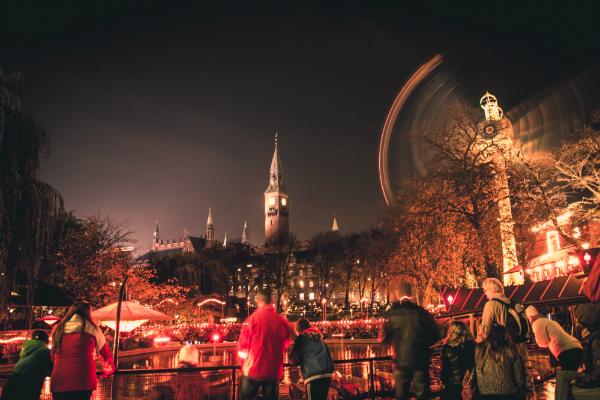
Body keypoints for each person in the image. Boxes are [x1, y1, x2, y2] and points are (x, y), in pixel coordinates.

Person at [379, 280, 440, 400]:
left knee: (401, 396)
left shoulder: (392, 314)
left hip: (401, 362)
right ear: (411, 294)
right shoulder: (422, 312)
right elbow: (435, 334)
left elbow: (383, 338)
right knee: (422, 395)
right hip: (420, 360)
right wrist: (424, 345)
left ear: (398, 295)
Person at [50, 301, 115, 400]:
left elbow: (52, 354)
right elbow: (104, 354)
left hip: (59, 380)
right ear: (88, 312)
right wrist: (109, 371)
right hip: (82, 380)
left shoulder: (59, 329)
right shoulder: (92, 328)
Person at [237, 289, 291, 400]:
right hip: (273, 370)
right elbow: (286, 343)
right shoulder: (281, 321)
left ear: (259, 301)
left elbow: (243, 346)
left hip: (253, 368)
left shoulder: (252, 319)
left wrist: (243, 363)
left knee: (245, 397)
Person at [554, 303, 600, 400]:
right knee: (562, 375)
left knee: (566, 385)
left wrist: (579, 381)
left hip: (594, 379)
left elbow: (597, 375)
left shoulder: (596, 341)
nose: (580, 326)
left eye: (581, 323)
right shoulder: (593, 337)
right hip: (590, 374)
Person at [473, 325, 530, 400]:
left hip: (483, 395)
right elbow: (520, 379)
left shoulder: (479, 351)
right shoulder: (511, 351)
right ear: (506, 336)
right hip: (508, 395)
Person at [525, 305, 583, 371]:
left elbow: (542, 343)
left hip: (566, 350)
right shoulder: (547, 321)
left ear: (530, 318)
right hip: (576, 346)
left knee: (567, 376)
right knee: (572, 374)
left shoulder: (537, 323)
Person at [0, 330, 52, 400]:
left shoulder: (26, 348)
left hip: (13, 380)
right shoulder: (45, 350)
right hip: (28, 383)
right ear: (46, 340)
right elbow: (50, 368)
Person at [289, 319, 334, 400]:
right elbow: (328, 355)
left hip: (313, 376)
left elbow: (293, 359)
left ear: (298, 330)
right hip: (326, 375)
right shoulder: (319, 338)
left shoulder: (302, 338)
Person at [476, 278, 531, 344]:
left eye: (485, 290)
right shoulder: (510, 302)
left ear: (491, 289)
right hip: (518, 344)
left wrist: (477, 344)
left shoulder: (491, 304)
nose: (484, 293)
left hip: (503, 346)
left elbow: (485, 330)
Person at [440, 321, 474, 400]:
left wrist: (442, 383)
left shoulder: (447, 348)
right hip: (468, 384)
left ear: (452, 332)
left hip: (451, 385)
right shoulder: (471, 347)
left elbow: (444, 370)